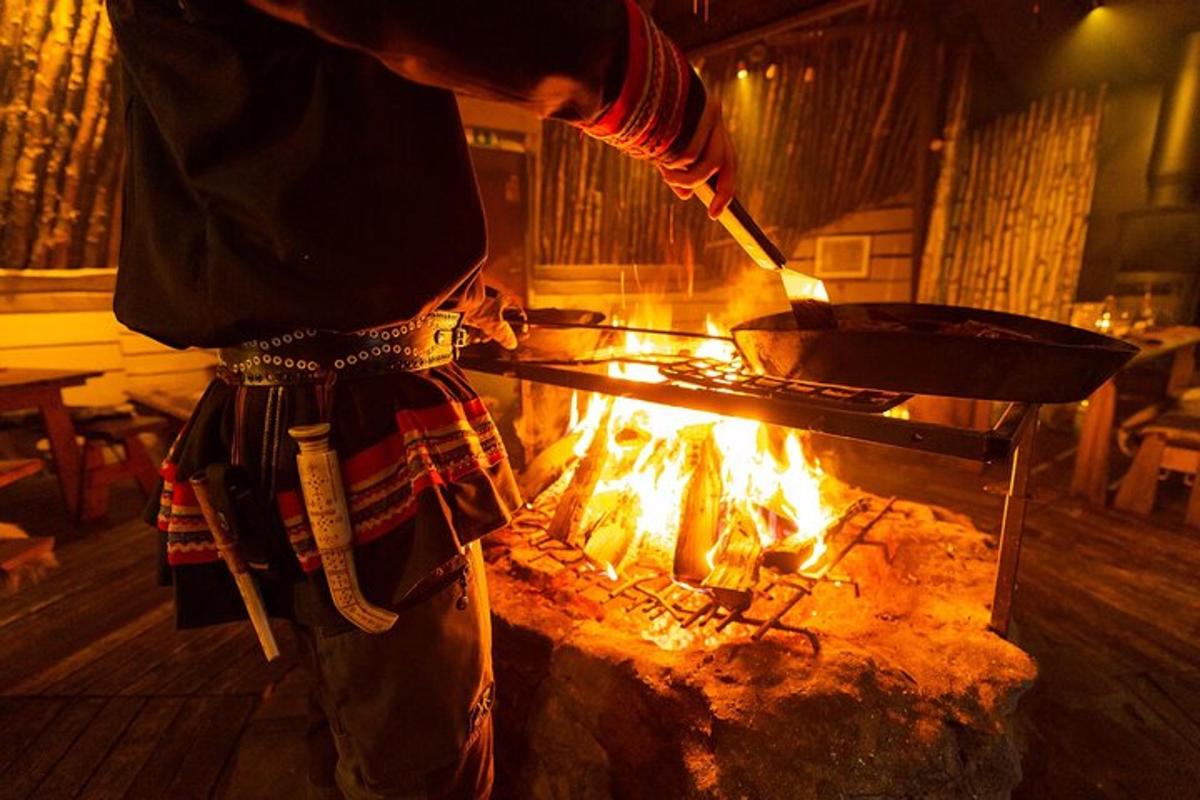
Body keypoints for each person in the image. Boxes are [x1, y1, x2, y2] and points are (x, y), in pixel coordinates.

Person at [106, 1, 736, 797]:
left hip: (315, 408)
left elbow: (283, 142)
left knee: (353, 727)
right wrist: (641, 79)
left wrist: (445, 295)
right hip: (347, 421)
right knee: (427, 765)